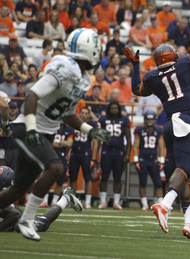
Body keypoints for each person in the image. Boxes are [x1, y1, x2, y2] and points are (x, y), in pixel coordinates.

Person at [122, 8, 190, 239]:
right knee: (184, 169)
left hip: (169, 125)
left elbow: (136, 90)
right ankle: (165, 204)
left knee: (187, 175)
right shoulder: (186, 63)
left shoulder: (152, 77)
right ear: (173, 55)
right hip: (185, 122)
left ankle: (189, 222)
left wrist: (136, 66)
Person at [0, 28, 111, 241]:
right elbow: (33, 94)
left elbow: (68, 115)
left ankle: (28, 217)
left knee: (15, 192)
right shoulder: (65, 66)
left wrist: (91, 130)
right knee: (56, 167)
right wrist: (32, 128)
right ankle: (27, 219)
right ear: (91, 50)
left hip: (44, 133)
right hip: (28, 130)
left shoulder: (84, 78)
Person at [0, 166, 83, 232]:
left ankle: (66, 198)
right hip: (12, 214)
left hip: (19, 217)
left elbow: (15, 215)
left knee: (43, 223)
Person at [92, 101, 131, 209]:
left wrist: (128, 154)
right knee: (104, 177)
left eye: (116, 108)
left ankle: (116, 202)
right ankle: (103, 201)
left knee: (117, 177)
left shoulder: (124, 119)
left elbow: (128, 138)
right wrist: (96, 154)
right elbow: (99, 137)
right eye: (112, 108)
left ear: (119, 109)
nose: (114, 110)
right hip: (106, 151)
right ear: (109, 109)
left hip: (119, 151)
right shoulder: (103, 119)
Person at [133, 111, 165, 210]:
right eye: (148, 119)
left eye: (151, 119)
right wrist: (136, 160)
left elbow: (161, 147)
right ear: (145, 120)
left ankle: (161, 203)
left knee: (158, 183)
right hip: (143, 159)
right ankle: (144, 204)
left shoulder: (159, 130)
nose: (150, 121)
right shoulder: (139, 129)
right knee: (142, 183)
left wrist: (161, 161)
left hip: (153, 160)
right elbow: (135, 147)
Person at [69, 107, 98, 209]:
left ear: (89, 115)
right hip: (74, 152)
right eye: (82, 113)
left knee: (87, 177)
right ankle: (73, 200)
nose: (84, 115)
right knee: (73, 177)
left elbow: (95, 142)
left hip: (86, 153)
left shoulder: (92, 125)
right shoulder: (74, 123)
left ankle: (88, 202)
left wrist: (93, 158)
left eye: (86, 113)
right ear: (79, 113)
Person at [40, 122, 73, 207]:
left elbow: (69, 143)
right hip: (50, 155)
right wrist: (62, 144)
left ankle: (54, 201)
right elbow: (49, 143)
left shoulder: (69, 129)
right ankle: (45, 200)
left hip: (62, 156)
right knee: (47, 178)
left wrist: (57, 141)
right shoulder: (51, 127)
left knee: (60, 180)